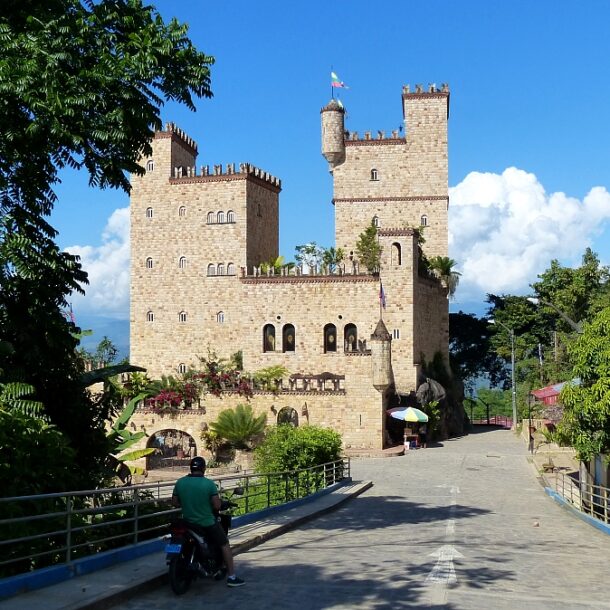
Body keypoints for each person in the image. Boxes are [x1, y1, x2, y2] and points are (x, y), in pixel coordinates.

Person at [172, 456, 245, 587]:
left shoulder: (180, 482)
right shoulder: (208, 484)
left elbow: (175, 502)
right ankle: (232, 577)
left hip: (187, 522)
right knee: (225, 544)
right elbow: (217, 506)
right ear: (203, 468)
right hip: (206, 522)